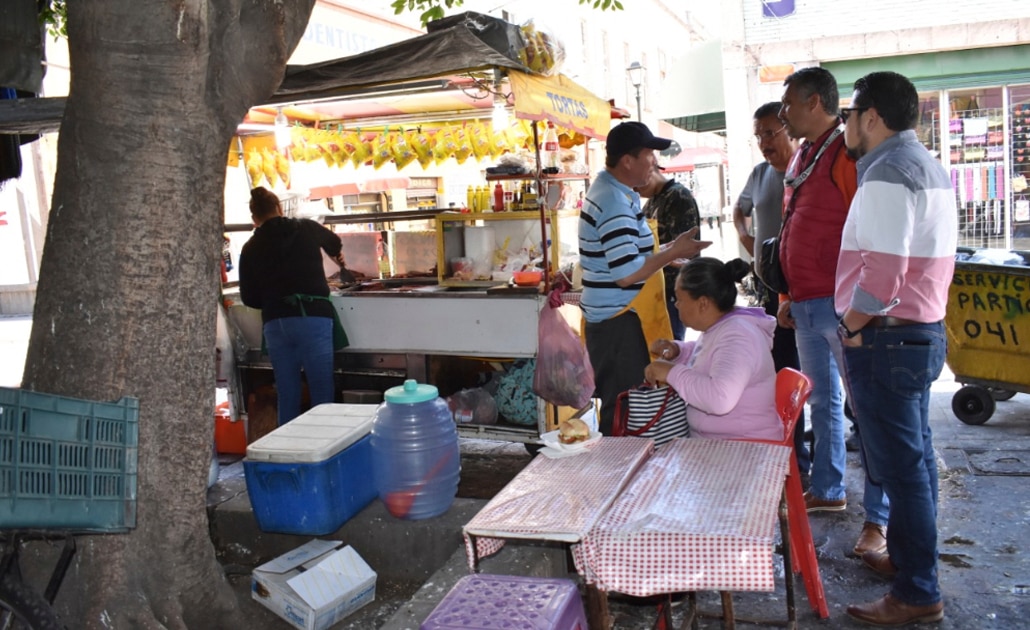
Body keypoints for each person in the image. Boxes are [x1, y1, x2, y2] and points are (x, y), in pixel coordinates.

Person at [836, 71, 955, 626]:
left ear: (873, 117)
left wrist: (850, 325)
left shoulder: (886, 172)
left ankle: (916, 591)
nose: (845, 125)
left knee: (903, 471)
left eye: (848, 114)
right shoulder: (924, 164)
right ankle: (913, 569)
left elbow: (883, 275)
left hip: (886, 337)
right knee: (914, 466)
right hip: (915, 333)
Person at [777, 67, 890, 557]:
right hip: (803, 302)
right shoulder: (804, 153)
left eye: (789, 105)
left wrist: (858, 305)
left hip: (841, 304)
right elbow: (791, 225)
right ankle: (827, 487)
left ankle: (879, 519)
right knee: (819, 402)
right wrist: (784, 297)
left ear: (816, 101)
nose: (783, 115)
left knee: (866, 411)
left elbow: (864, 228)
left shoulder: (844, 152)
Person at [579, 121, 711, 435]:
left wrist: (667, 249)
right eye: (649, 153)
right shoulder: (613, 203)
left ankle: (625, 477)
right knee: (625, 411)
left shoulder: (616, 192)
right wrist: (670, 253)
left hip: (616, 322)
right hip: (620, 325)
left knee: (626, 408)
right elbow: (626, 275)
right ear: (628, 160)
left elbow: (627, 254)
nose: (654, 160)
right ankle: (618, 478)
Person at [731, 101, 811, 481]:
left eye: (769, 132)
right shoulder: (760, 174)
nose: (764, 142)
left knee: (802, 374)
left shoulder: (803, 172)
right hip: (767, 292)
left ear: (788, 128)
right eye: (758, 135)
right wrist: (745, 236)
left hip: (802, 290)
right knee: (776, 372)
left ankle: (803, 459)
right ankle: (786, 449)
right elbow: (740, 208)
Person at [239, 186, 345, 425]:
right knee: (321, 391)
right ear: (278, 207)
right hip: (313, 319)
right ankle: (323, 451)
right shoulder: (306, 227)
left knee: (287, 394)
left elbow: (249, 298)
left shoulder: (250, 248)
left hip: (276, 323)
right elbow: (334, 242)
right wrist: (336, 254)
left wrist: (273, 299)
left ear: (254, 218)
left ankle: (289, 454)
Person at [646, 258, 781, 441]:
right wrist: (678, 352)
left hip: (745, 448)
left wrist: (672, 373)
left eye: (680, 299)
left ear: (702, 303)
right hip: (718, 443)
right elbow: (709, 356)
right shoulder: (722, 327)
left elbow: (720, 398)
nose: (677, 305)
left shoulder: (738, 336)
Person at [637, 165, 701, 340]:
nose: (635, 190)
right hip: (656, 292)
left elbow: (682, 253)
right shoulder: (651, 202)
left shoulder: (678, 196)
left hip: (673, 293)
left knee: (670, 350)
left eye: (636, 185)